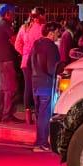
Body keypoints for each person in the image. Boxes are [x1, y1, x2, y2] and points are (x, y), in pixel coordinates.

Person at [30, 22, 62, 154]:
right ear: (51, 33)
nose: (58, 35)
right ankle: (41, 143)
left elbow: (30, 64)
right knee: (45, 114)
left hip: (35, 82)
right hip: (47, 84)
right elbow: (52, 68)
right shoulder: (51, 47)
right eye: (57, 32)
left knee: (40, 114)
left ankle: (40, 141)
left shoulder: (36, 44)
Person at [0, 5, 22, 124]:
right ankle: (7, 115)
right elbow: (15, 41)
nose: (14, 16)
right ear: (7, 14)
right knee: (11, 88)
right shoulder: (5, 25)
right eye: (13, 13)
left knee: (3, 89)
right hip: (6, 61)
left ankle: (1, 114)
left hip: (0, 61)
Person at [14, 7, 45, 124]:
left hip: (25, 61)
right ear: (41, 15)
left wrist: (25, 53)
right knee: (38, 87)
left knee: (28, 86)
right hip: (38, 61)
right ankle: (38, 113)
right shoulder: (42, 28)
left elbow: (17, 44)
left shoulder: (24, 27)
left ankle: (27, 115)